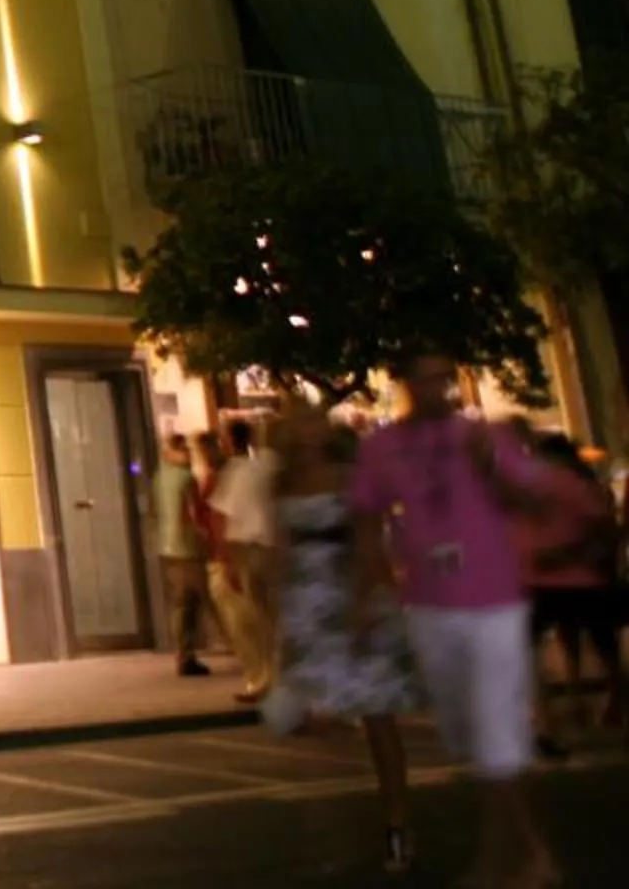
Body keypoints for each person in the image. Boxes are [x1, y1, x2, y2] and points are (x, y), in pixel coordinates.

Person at [350, 354, 558, 889]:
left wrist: (491, 466)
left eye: (444, 376)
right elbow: (367, 520)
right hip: (428, 603)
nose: (436, 386)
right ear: (404, 382)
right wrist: (374, 593)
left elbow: (533, 500)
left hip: (493, 601)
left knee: (495, 735)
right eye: (424, 376)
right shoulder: (383, 447)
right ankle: (531, 849)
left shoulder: (485, 436)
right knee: (465, 734)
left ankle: (512, 860)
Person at [260, 402, 420, 873]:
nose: (309, 433)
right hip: (307, 604)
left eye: (315, 423)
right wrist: (279, 616)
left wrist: (364, 601)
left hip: (352, 594)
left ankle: (398, 824)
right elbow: (280, 550)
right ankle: (339, 830)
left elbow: (372, 540)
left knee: (377, 718)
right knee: (316, 721)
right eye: (300, 424)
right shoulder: (281, 482)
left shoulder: (352, 476)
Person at [522, 430, 623, 757]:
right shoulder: (538, 487)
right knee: (565, 641)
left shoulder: (572, 486)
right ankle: (559, 714)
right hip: (550, 580)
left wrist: (568, 555)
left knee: (598, 642)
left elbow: (603, 528)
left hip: (579, 578)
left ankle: (607, 699)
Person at [214, 415, 280, 703]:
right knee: (271, 621)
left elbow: (224, 516)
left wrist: (226, 559)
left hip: (253, 549)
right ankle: (272, 680)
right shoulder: (276, 468)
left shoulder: (244, 470)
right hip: (273, 549)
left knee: (253, 620)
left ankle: (263, 679)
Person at [154, 434, 215, 678]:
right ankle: (243, 650)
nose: (188, 455)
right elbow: (194, 512)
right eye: (184, 450)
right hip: (188, 548)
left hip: (167, 548)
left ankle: (184, 654)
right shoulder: (185, 478)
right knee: (207, 600)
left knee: (180, 606)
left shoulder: (159, 477)